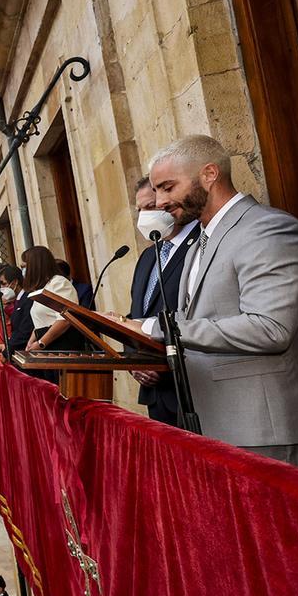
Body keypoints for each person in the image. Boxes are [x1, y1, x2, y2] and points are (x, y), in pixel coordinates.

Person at [111, 134, 298, 468]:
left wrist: (153, 326)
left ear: (209, 174)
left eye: (168, 187)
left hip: (263, 431)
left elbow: (270, 328)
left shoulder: (268, 229)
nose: (160, 201)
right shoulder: (198, 242)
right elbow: (199, 319)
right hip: (209, 425)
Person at [126, 175, 201, 427]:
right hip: (155, 396)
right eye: (139, 210)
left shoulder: (201, 243)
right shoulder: (147, 257)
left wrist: (164, 364)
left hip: (190, 388)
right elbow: (134, 316)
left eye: (149, 207)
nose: (143, 217)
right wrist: (134, 362)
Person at [22, 246, 82, 356]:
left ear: (36, 266)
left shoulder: (59, 283)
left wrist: (41, 343)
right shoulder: (44, 287)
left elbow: (65, 319)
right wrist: (31, 341)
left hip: (61, 346)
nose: (23, 271)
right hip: (47, 347)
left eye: (25, 266)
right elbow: (41, 320)